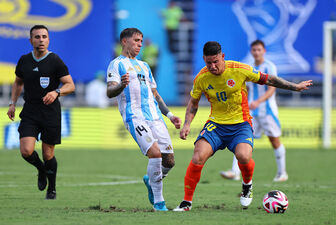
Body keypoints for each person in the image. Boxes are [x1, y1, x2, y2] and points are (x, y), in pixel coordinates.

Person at [173, 41, 312, 211]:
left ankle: (247, 186)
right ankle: (186, 202)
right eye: (208, 63)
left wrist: (294, 87)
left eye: (216, 62)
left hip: (241, 124)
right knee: (198, 156)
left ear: (222, 56)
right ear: (204, 60)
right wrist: (187, 124)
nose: (212, 66)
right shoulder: (201, 77)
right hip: (216, 124)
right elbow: (193, 103)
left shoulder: (239, 69)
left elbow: (268, 79)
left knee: (244, 156)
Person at [106, 28, 182, 211]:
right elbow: (109, 91)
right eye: (136, 40)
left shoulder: (145, 66)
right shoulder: (116, 64)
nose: (140, 44)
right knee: (155, 154)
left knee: (169, 161)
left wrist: (170, 115)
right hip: (135, 116)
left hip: (155, 117)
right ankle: (159, 203)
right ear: (124, 41)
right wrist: (121, 85)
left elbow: (155, 94)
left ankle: (150, 179)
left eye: (141, 41)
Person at [7, 25, 75, 200]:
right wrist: (12, 103)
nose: (41, 40)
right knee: (26, 151)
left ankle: (51, 189)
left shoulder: (55, 60)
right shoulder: (24, 60)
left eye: (44, 36)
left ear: (49, 39)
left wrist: (56, 92)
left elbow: (70, 85)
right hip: (30, 111)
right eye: (37, 37)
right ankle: (41, 169)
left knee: (48, 154)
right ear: (31, 40)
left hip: (50, 113)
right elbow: (18, 82)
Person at [220, 40, 288, 182]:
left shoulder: (269, 67)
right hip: (251, 112)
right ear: (251, 51)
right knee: (242, 140)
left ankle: (282, 173)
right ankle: (234, 172)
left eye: (259, 50)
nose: (256, 52)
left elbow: (272, 89)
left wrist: (258, 101)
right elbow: (247, 89)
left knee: (274, 141)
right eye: (254, 50)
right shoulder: (249, 68)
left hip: (267, 111)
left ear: (264, 51)